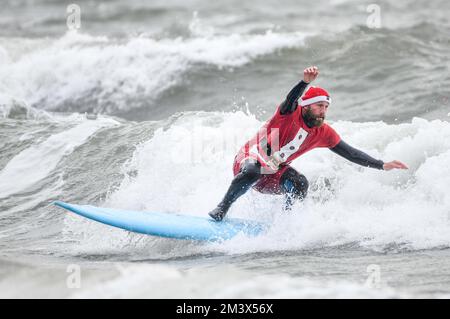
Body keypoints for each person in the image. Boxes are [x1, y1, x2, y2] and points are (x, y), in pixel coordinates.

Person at [208, 66, 408, 221]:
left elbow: (351, 153)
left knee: (300, 184)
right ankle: (222, 209)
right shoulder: (288, 114)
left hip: (271, 177)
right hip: (247, 164)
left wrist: (382, 165)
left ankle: (284, 224)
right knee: (254, 170)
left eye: (326, 107)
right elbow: (291, 98)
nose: (323, 111)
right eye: (319, 106)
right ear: (306, 106)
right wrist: (304, 82)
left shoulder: (323, 133)